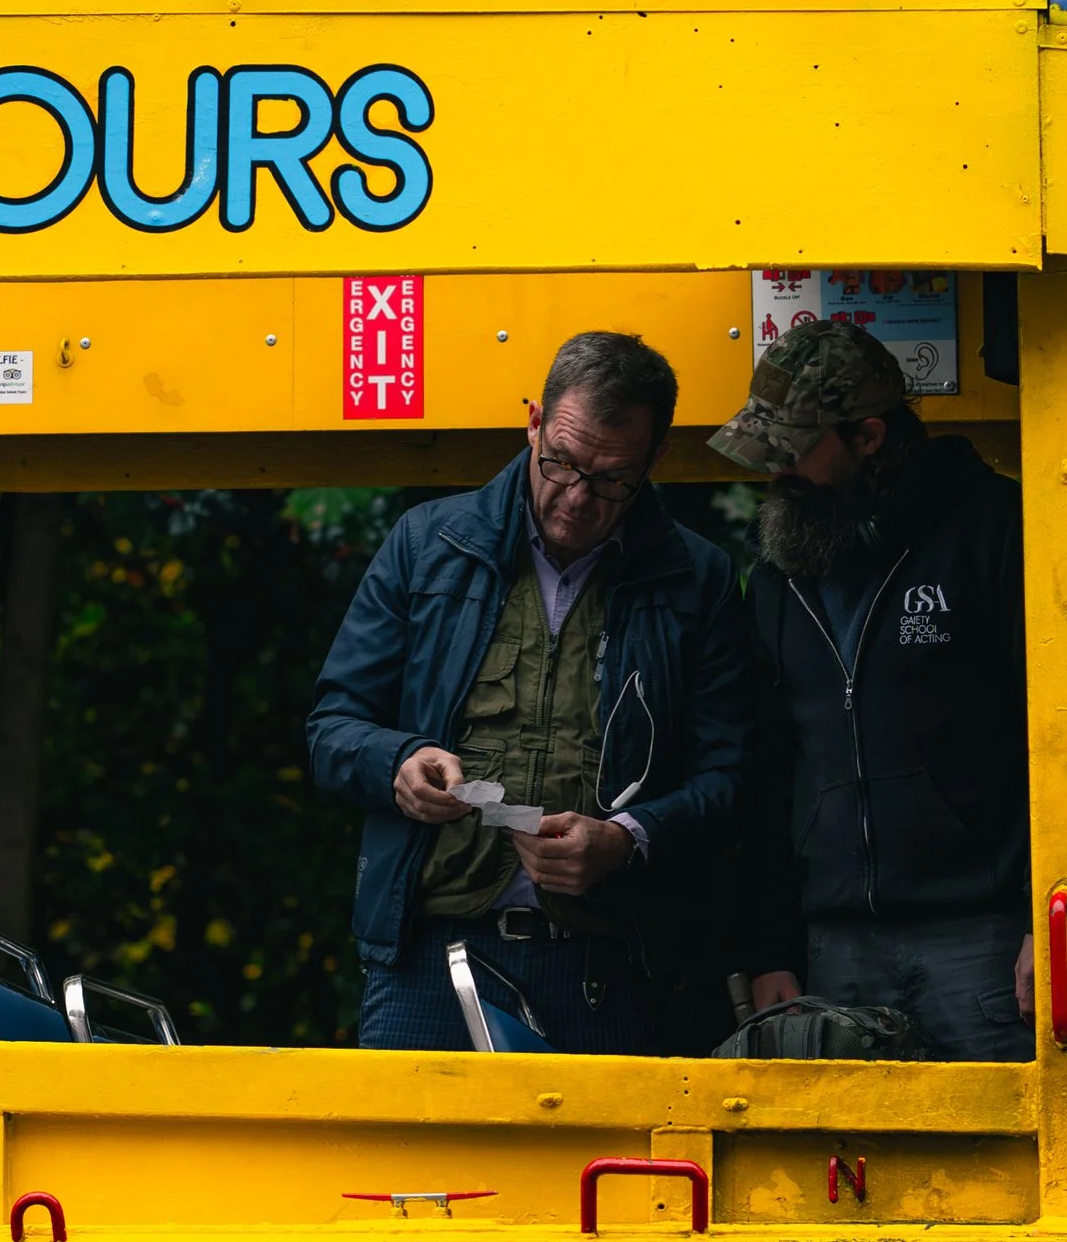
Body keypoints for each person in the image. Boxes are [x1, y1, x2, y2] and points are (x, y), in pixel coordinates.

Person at [309, 330, 748, 1052]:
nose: (576, 497)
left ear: (655, 462)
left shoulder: (696, 580)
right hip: (429, 962)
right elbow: (331, 725)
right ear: (533, 422)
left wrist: (627, 840)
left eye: (610, 479)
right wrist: (397, 761)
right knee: (419, 1171)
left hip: (611, 970)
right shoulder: (427, 543)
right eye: (562, 463)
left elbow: (733, 778)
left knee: (600, 1171)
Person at [713, 321, 1033, 1059]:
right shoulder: (776, 581)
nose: (775, 469)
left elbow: (1055, 731)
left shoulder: (993, 530)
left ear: (869, 437)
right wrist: (770, 947)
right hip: (833, 947)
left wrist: (1039, 919)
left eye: (796, 447)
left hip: (981, 937)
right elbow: (769, 771)